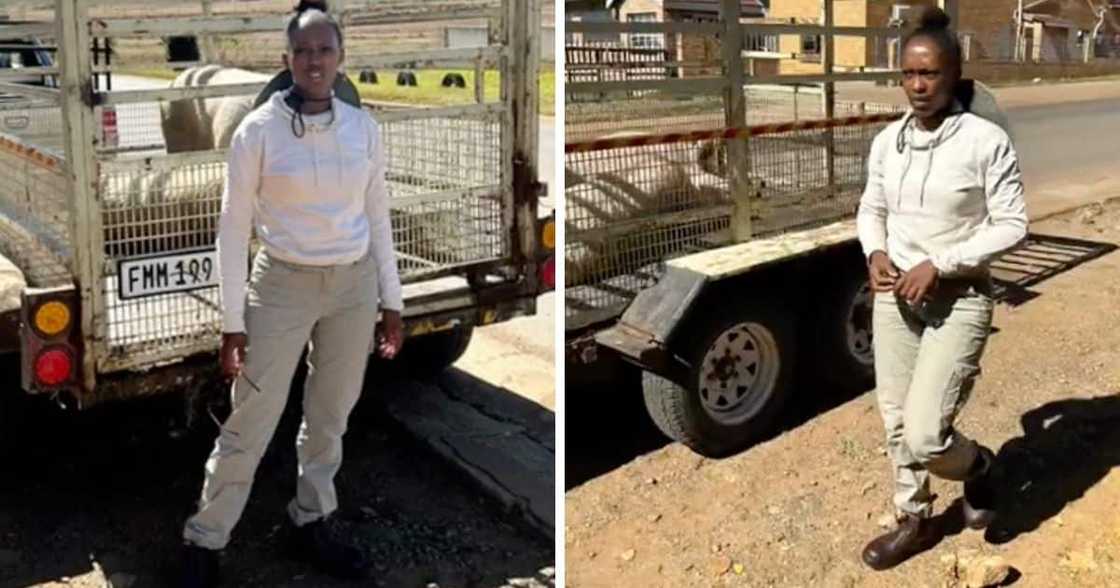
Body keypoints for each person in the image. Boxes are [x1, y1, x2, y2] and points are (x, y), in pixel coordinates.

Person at [180, 7, 403, 587]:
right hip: (281, 284)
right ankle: (205, 539)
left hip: (353, 286)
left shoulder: (363, 129)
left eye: (324, 50)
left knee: (330, 416)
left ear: (341, 58)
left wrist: (392, 301)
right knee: (251, 419)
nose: (314, 61)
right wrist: (232, 322)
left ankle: (312, 520)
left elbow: (378, 216)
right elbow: (233, 230)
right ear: (286, 60)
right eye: (302, 51)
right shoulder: (257, 132)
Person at [856, 7, 1028, 571]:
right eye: (908, 74)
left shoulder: (984, 141)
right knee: (894, 419)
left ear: (953, 74)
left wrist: (942, 263)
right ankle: (914, 518)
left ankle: (978, 467)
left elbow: (1013, 224)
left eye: (929, 73)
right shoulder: (889, 141)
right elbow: (872, 207)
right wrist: (875, 251)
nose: (918, 85)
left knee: (927, 434)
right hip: (895, 298)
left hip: (960, 298)